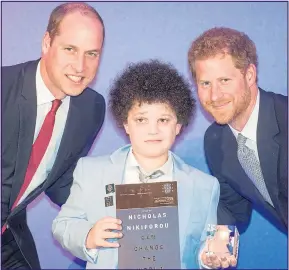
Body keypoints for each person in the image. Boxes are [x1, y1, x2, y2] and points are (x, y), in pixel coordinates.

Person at [52, 60, 237, 269]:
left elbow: (203, 247)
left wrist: (209, 256)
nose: (153, 130)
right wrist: (89, 236)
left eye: (163, 120)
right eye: (141, 120)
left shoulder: (204, 186)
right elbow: (63, 225)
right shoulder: (91, 172)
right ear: (125, 124)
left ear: (178, 126)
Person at [2, 3, 106, 269]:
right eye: (70, 49)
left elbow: (60, 181)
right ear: (47, 43)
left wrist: (115, 208)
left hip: (8, 234)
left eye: (92, 53)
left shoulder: (90, 108)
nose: (80, 66)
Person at [188, 27, 288, 232]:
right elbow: (234, 212)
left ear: (249, 75)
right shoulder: (215, 139)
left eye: (224, 80)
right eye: (205, 83)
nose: (214, 96)